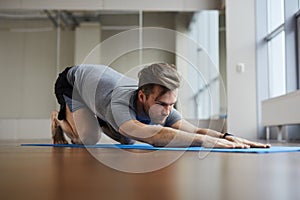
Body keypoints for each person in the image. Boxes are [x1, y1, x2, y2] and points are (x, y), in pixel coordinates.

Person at [51, 63, 270, 148]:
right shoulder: (120, 100)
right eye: (162, 104)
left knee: (128, 138)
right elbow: (154, 136)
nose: (167, 111)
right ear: (141, 97)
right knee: (88, 139)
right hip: (74, 84)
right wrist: (205, 142)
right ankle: (60, 121)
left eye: (171, 104)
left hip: (100, 97)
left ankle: (101, 119)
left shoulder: (164, 106)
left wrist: (225, 137)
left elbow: (193, 130)